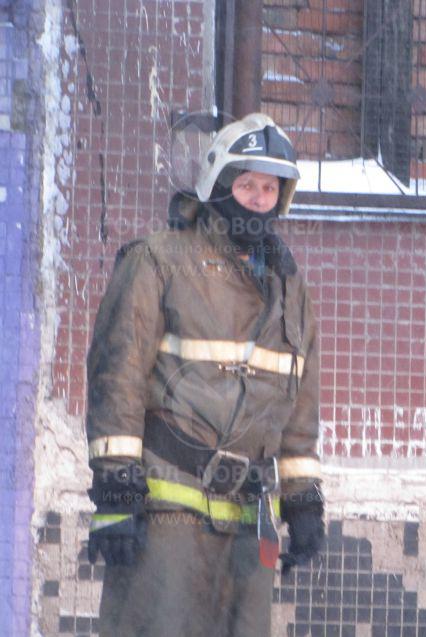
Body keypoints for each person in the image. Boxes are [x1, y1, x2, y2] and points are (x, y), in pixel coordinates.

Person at [84, 113, 325, 636]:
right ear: (218, 183)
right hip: (167, 512)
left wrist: (303, 500)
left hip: (249, 526)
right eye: (247, 184)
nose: (258, 199)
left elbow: (300, 407)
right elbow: (117, 376)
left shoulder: (289, 288)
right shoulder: (159, 261)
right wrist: (116, 493)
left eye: (270, 188)